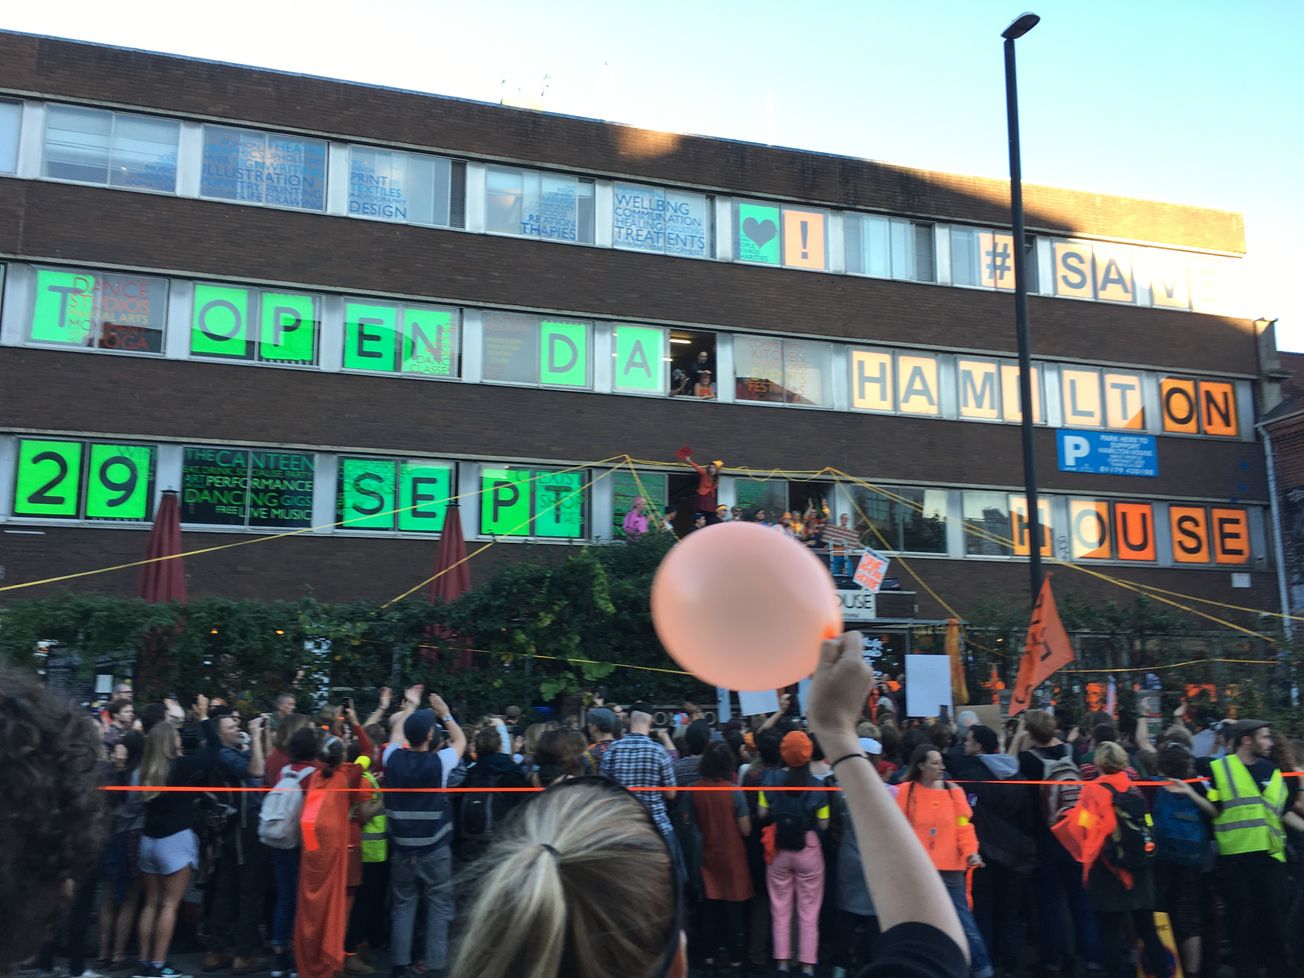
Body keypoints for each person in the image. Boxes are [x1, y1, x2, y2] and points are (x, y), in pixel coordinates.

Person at [450, 630, 969, 978]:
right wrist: (836, 732)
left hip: (752, 858)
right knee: (798, 912)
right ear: (677, 961)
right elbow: (934, 945)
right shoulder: (698, 766)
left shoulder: (743, 776)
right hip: (792, 856)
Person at [1054, 742, 1173, 978]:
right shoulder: (1133, 789)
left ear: (1098, 763)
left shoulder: (1092, 791)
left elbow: (1086, 828)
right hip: (1140, 871)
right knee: (1147, 931)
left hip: (1108, 871)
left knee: (1109, 934)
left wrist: (1066, 819)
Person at [1202, 718, 1296, 978]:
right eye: (1264, 737)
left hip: (1270, 858)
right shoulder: (1219, 769)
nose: (1269, 743)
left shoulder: (1272, 770)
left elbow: (1280, 810)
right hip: (1236, 860)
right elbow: (1214, 808)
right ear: (1247, 740)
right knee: (1241, 928)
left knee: (1275, 927)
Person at [135, 697, 221, 978]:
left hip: (149, 841)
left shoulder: (145, 770)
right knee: (169, 905)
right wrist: (205, 717)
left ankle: (145, 963)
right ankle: (159, 966)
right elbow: (215, 751)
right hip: (174, 841)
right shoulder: (180, 768)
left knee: (150, 903)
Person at [384, 688, 467, 978]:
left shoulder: (391, 758)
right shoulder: (440, 763)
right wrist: (444, 712)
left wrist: (411, 706)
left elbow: (396, 734)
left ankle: (399, 965)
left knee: (403, 906)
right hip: (434, 850)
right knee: (438, 906)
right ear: (431, 737)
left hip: (402, 850)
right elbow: (460, 740)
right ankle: (434, 965)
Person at [1011, 708, 1100, 973]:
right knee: (1079, 898)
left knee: (1049, 901)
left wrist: (1017, 736)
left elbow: (1006, 767)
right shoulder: (1072, 751)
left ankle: (1053, 959)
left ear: (1030, 732)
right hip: (1076, 834)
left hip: (1047, 837)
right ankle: (1093, 957)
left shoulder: (1028, 760)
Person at [896, 745, 992, 978]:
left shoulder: (954, 792)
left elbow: (964, 827)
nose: (942, 767)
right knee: (922, 924)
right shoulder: (906, 792)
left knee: (964, 923)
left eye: (941, 762)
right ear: (921, 765)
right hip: (920, 871)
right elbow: (900, 829)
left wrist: (971, 852)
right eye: (935, 763)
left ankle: (982, 970)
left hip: (950, 869)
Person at [947, 724, 1032, 977]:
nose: (965, 745)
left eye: (969, 741)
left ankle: (988, 962)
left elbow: (967, 816)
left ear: (979, 746)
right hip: (1014, 855)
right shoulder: (1017, 774)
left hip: (983, 854)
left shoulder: (972, 777)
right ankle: (1013, 964)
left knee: (983, 911)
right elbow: (1028, 818)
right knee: (1009, 913)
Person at [295, 736, 381, 978]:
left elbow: (308, 822)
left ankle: (309, 960)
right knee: (336, 912)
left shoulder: (314, 777)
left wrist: (314, 854)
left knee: (311, 914)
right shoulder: (348, 776)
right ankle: (329, 961)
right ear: (342, 757)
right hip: (335, 856)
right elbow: (367, 750)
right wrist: (354, 722)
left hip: (313, 858)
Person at [758, 730, 830, 977]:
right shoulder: (819, 786)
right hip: (808, 848)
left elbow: (761, 813)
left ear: (783, 752)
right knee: (809, 910)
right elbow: (824, 824)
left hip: (779, 847)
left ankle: (782, 963)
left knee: (780, 907)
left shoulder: (770, 779)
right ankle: (808, 966)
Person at [203, 709, 268, 974]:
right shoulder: (224, 754)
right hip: (243, 828)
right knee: (249, 891)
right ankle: (243, 955)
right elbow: (257, 769)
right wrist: (253, 735)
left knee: (226, 890)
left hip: (233, 829)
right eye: (230, 726)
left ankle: (216, 951)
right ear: (219, 733)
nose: (236, 728)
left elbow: (263, 760)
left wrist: (262, 736)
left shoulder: (231, 751)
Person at [1152, 742, 1216, 977]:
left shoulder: (1153, 785)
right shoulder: (1196, 785)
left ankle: (1165, 966)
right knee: (1190, 918)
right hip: (1192, 858)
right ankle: (1192, 971)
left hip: (1163, 858)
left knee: (1160, 912)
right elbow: (1215, 811)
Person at [692, 741, 752, 976]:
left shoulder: (695, 790)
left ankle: (708, 959)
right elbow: (745, 829)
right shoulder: (734, 791)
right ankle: (735, 962)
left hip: (707, 856)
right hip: (733, 857)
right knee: (733, 914)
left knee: (709, 912)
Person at [266, 725, 321, 978]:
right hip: (302, 845)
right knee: (302, 901)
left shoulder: (283, 771)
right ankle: (299, 953)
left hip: (278, 840)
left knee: (284, 897)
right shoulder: (314, 775)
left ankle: (279, 954)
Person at [599, 701, 679, 848]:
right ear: (652, 721)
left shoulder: (612, 750)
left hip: (622, 825)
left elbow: (604, 791)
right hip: (656, 825)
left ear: (629, 720)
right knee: (677, 869)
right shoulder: (660, 751)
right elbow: (671, 794)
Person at [681, 453, 722, 524]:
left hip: (710, 498)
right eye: (711, 467)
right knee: (701, 512)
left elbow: (713, 489)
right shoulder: (705, 473)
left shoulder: (716, 478)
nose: (712, 469)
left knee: (710, 514)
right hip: (703, 496)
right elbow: (697, 467)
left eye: (714, 468)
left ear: (716, 470)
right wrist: (689, 460)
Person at [823, 513, 860, 577]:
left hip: (844, 556)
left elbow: (856, 543)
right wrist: (827, 547)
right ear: (841, 519)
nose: (846, 520)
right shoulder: (835, 530)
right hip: (835, 556)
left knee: (850, 573)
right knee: (834, 575)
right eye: (844, 518)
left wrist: (864, 547)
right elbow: (828, 544)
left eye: (847, 519)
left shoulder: (849, 532)